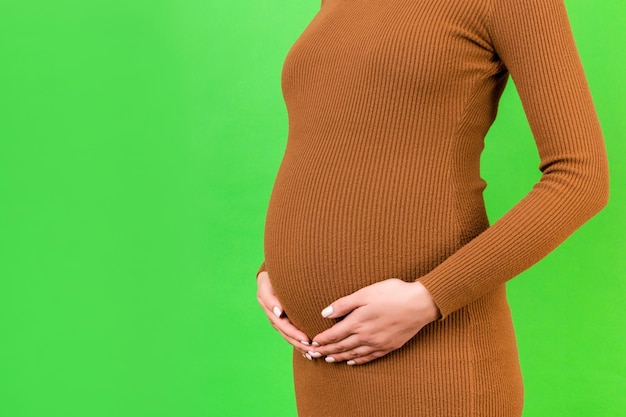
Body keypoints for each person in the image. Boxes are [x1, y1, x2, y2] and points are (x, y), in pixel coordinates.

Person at [256, 0, 609, 415]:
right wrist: (275, 269)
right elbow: (335, 146)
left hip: (435, 357)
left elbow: (581, 177)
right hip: (322, 359)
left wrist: (429, 297)